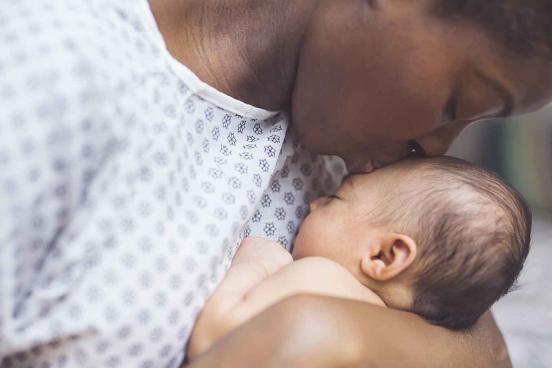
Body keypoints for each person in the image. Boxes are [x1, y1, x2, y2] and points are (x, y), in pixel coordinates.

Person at [0, 0, 550, 367]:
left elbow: (483, 344)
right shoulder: (48, 71)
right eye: (456, 104)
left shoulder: (351, 150)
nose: (434, 148)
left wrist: (332, 335)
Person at [186, 156, 531, 358]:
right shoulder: (390, 331)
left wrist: (256, 262)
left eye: (336, 198)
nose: (314, 202)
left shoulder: (322, 279)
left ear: (384, 256)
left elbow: (212, 338)